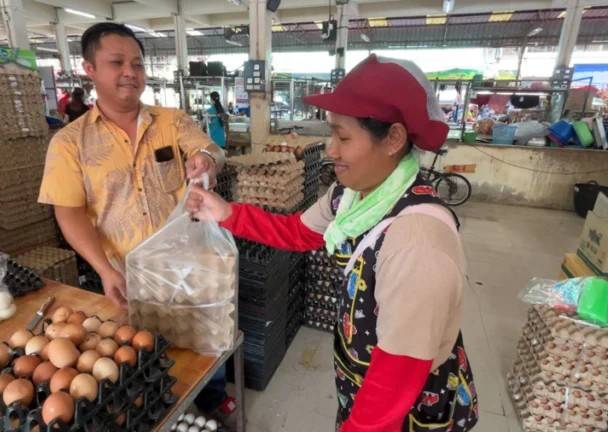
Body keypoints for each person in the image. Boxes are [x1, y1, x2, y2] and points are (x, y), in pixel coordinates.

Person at [186, 55, 478, 432]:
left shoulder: (418, 244)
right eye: (332, 134)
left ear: (393, 139)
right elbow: (297, 232)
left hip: (406, 412)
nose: (330, 150)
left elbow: (395, 379)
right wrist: (225, 212)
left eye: (343, 137)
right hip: (362, 386)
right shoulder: (351, 196)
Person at [37, 22, 236, 422]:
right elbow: (69, 212)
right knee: (144, 350)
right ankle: (168, 410)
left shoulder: (171, 120)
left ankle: (212, 400)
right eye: (117, 63)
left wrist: (206, 160)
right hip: (127, 274)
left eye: (137, 64)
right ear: (89, 69)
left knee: (204, 338)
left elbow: (209, 148)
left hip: (189, 263)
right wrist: (104, 269)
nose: (130, 72)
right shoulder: (70, 143)